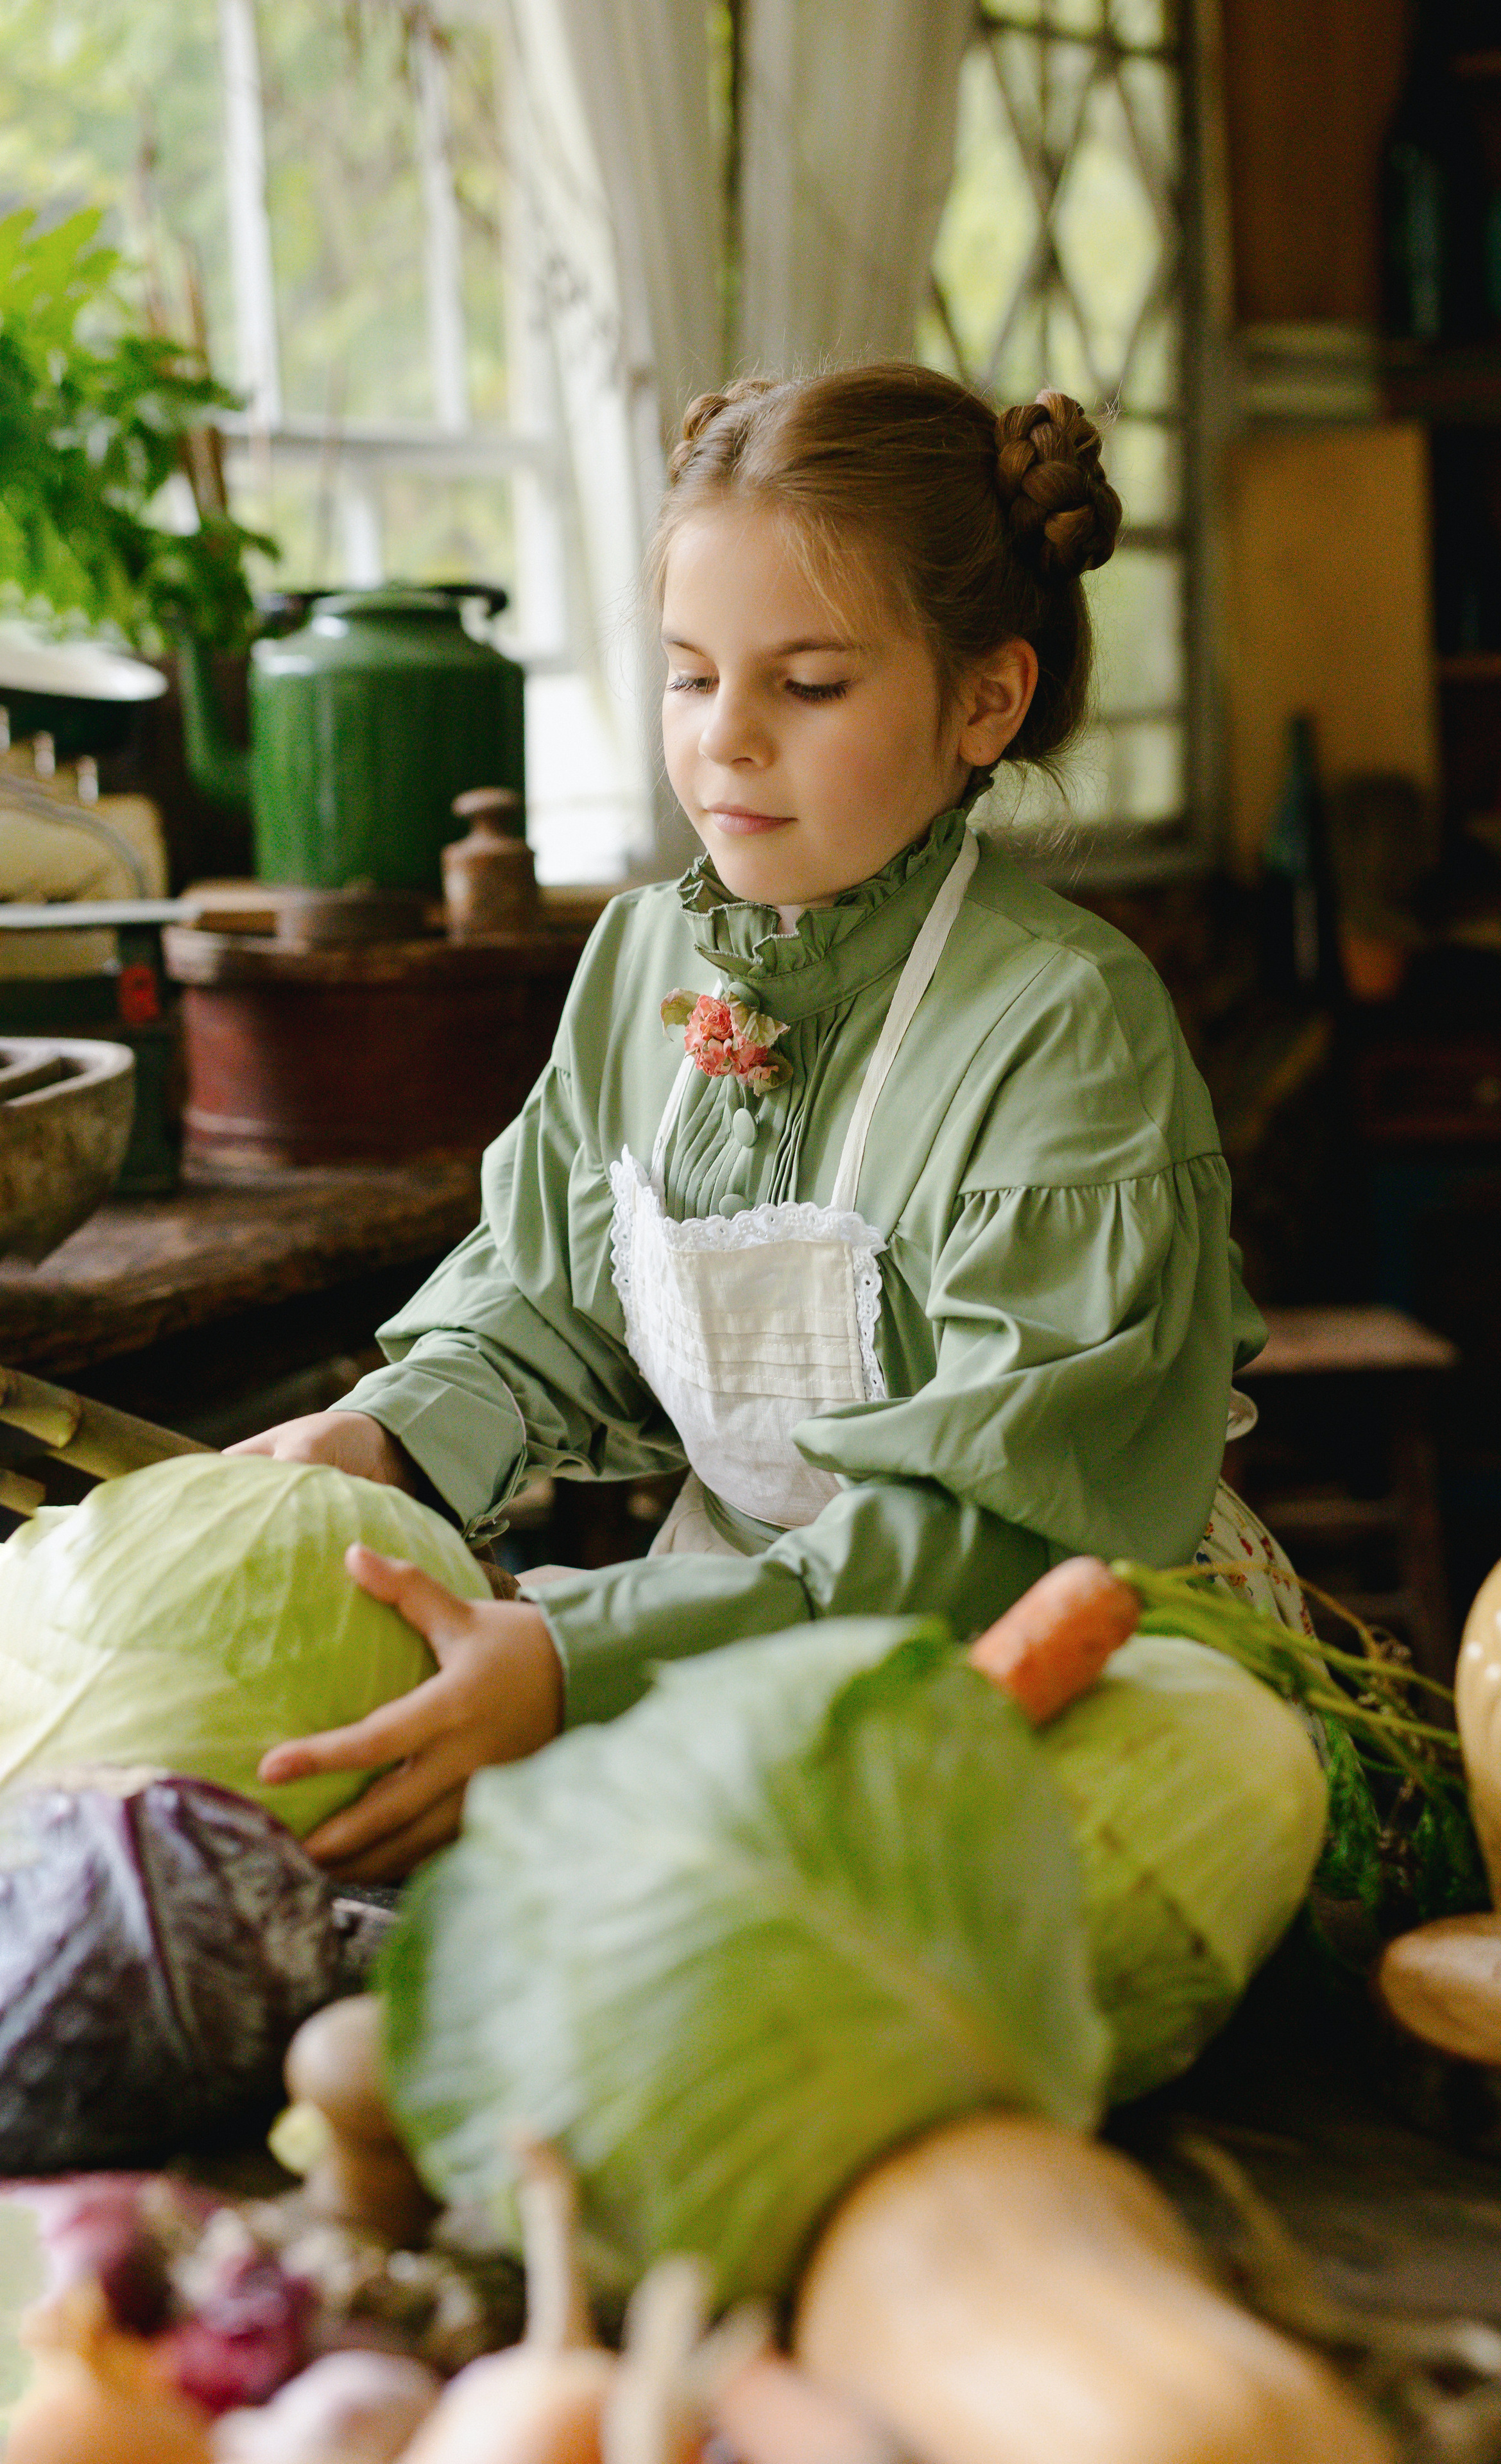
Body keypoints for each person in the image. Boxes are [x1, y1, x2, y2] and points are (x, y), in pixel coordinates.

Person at [235, 363, 1282, 1883]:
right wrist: (389, 1438)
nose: (724, 739)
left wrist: (589, 1654)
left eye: (807, 686)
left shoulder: (1063, 1027)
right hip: (725, 1641)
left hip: (1050, 1686)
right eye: (687, 675)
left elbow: (996, 1530)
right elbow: (552, 1301)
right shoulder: (639, 960)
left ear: (984, 700)